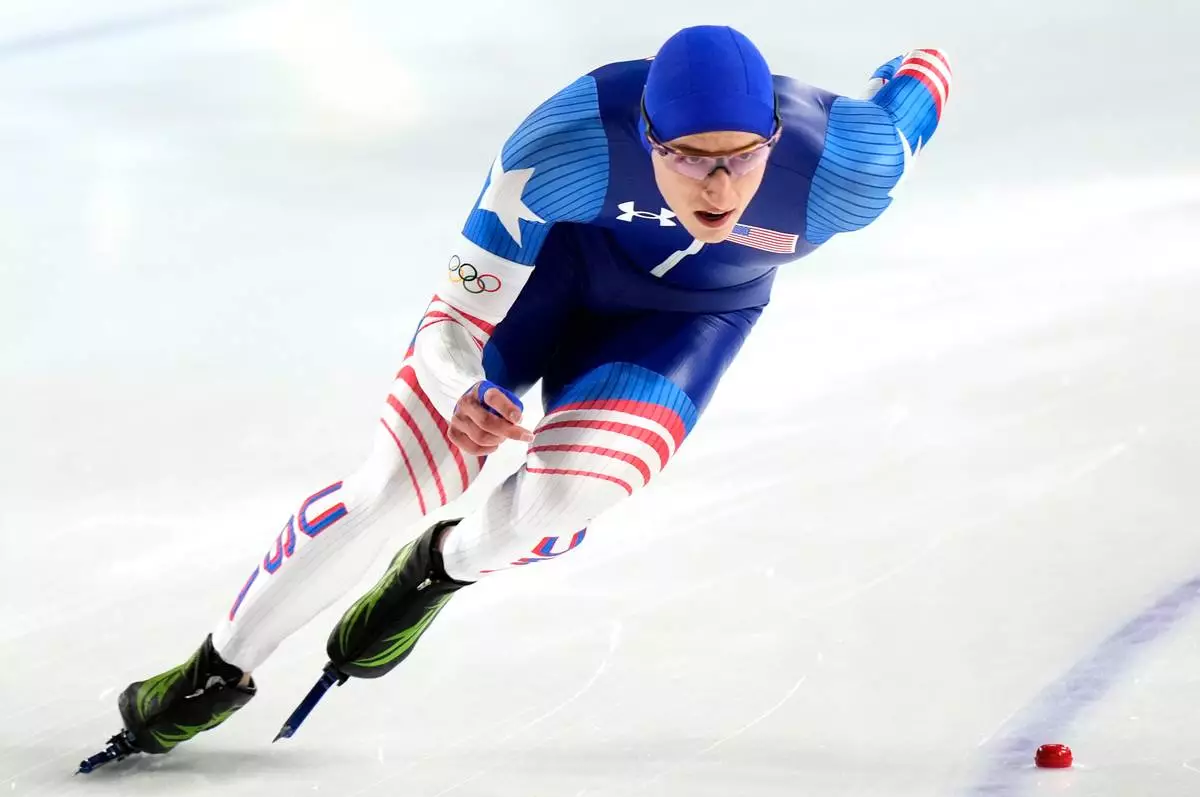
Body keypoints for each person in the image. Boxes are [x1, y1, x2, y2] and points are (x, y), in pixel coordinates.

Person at [112, 25, 952, 756]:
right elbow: (453, 321)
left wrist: (901, 74)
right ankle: (213, 672)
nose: (719, 187)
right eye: (690, 160)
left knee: (564, 497)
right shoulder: (567, 144)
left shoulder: (849, 165)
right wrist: (463, 388)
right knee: (402, 484)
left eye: (742, 159)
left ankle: (438, 570)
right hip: (543, 284)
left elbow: (924, 73)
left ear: (774, 137)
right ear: (646, 137)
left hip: (685, 322)